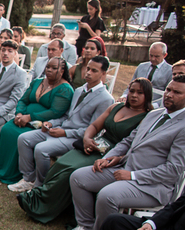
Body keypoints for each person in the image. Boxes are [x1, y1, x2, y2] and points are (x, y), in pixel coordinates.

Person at [66, 76, 185, 230]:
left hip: (152, 185)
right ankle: (86, 227)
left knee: (107, 195)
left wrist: (132, 175)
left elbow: (173, 170)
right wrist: (108, 158)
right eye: (168, 90)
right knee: (78, 177)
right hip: (124, 168)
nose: (169, 95)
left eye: (177, 92)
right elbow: (129, 140)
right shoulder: (155, 114)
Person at [18, 79, 153, 224]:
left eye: (140, 93)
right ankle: (45, 198)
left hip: (112, 156)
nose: (134, 95)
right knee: (62, 163)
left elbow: (135, 146)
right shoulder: (116, 107)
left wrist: (118, 157)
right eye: (132, 91)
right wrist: (87, 139)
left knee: (72, 170)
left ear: (147, 95)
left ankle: (44, 206)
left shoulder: (146, 118)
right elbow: (94, 126)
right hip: (93, 145)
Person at [10, 55, 115, 194]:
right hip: (59, 129)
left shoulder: (106, 99)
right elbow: (66, 116)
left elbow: (94, 131)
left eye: (94, 70)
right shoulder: (79, 90)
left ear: (103, 73)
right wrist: (50, 123)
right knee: (24, 139)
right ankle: (28, 179)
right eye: (88, 68)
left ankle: (40, 186)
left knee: (41, 149)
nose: (88, 72)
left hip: (75, 138)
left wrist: (65, 132)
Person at [0, 57, 74, 185]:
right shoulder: (37, 82)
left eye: (54, 68)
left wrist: (30, 117)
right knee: (7, 129)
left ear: (62, 71)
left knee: (19, 135)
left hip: (41, 123)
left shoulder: (65, 89)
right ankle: (2, 169)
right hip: (23, 117)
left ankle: (19, 174)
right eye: (48, 67)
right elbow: (23, 100)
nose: (49, 70)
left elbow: (55, 112)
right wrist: (19, 114)